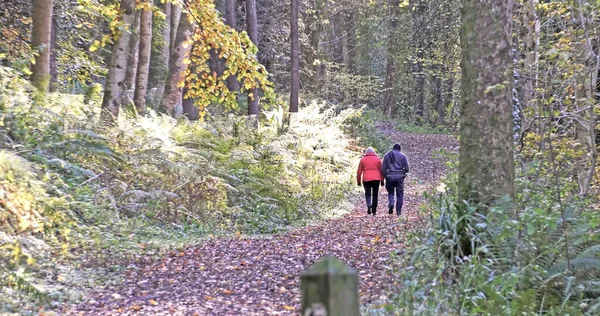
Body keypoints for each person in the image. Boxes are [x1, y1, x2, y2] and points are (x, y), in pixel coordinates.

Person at [381, 143, 410, 216]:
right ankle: (398, 211)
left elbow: (383, 168)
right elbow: (407, 169)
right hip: (399, 177)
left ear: (393, 148)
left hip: (389, 177)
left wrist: (385, 176)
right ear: (399, 149)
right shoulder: (403, 156)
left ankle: (391, 203)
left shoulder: (387, 155)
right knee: (400, 195)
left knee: (390, 192)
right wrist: (403, 173)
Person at [356, 147, 383, 215]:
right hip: (376, 179)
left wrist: (358, 181)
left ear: (366, 153)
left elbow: (359, 172)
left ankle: (369, 204)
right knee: (375, 194)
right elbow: (381, 171)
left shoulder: (363, 160)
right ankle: (374, 210)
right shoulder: (378, 160)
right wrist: (382, 180)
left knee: (367, 193)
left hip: (366, 179)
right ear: (374, 153)